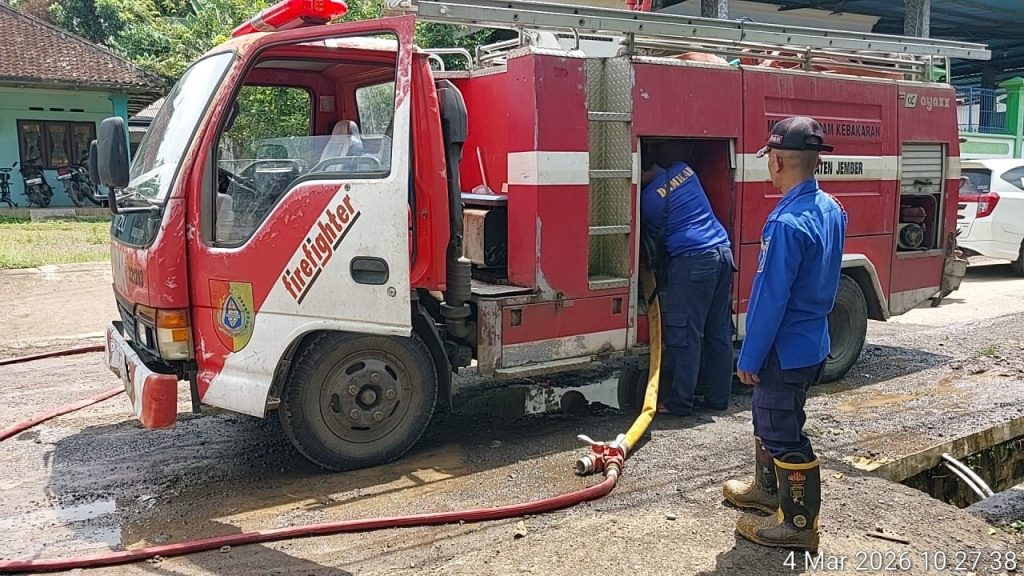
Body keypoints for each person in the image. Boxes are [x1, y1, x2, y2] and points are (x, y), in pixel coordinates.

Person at [723, 117, 847, 552]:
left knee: (783, 434)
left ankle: (798, 523)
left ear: (776, 161)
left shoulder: (787, 223)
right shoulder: (831, 209)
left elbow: (771, 299)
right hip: (812, 342)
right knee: (769, 419)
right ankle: (767, 492)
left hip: (784, 348)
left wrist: (750, 357)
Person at [638, 140, 735, 417]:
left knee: (685, 334)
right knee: (718, 330)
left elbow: (652, 245)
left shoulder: (647, 202)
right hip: (722, 253)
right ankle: (718, 398)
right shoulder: (685, 170)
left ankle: (681, 402)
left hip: (693, 261)